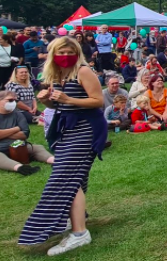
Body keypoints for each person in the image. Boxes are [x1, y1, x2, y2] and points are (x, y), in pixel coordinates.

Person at [19, 37, 108, 255]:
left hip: (87, 128)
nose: (65, 56)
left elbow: (98, 101)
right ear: (53, 54)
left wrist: (68, 99)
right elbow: (57, 103)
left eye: (70, 52)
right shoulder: (57, 72)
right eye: (61, 52)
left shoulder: (83, 71)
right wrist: (47, 100)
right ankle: (75, 218)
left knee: (65, 176)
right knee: (73, 175)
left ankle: (79, 233)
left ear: (77, 52)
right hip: (66, 128)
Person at [1, 89, 54, 176]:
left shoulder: (18, 114)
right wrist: (16, 129)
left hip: (19, 146)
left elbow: (25, 134)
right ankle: (20, 168)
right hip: (1, 148)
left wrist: (4, 134)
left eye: (15, 100)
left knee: (37, 148)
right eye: (10, 100)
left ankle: (54, 161)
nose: (13, 103)